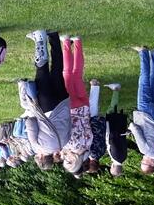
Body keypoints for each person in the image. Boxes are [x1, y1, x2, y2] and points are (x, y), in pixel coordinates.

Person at [19, 30, 71, 170]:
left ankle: (54, 37)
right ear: (42, 158)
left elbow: (68, 124)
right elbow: (30, 122)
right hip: (47, 108)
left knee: (57, 70)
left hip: (63, 103)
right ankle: (40, 38)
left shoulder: (64, 143)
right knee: (42, 71)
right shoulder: (37, 147)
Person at [128, 47, 154, 175]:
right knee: (144, 82)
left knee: (153, 82)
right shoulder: (145, 151)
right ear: (151, 163)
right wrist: (130, 127)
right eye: (144, 163)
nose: (142, 160)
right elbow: (136, 130)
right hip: (147, 114)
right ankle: (143, 52)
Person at [60, 36, 92, 175]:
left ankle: (77, 41)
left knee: (77, 74)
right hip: (73, 109)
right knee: (67, 74)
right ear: (74, 161)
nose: (65, 158)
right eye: (68, 161)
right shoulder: (69, 144)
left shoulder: (88, 145)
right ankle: (66, 42)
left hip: (85, 108)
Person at [102, 83, 128, 177]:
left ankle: (116, 90)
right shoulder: (115, 157)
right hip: (114, 130)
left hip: (120, 130)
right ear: (113, 167)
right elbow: (112, 143)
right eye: (111, 167)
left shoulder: (124, 158)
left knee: (112, 109)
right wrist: (109, 131)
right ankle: (116, 89)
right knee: (111, 110)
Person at [86, 79, 106, 174]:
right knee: (92, 105)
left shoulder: (102, 153)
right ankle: (95, 85)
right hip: (93, 125)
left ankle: (95, 87)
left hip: (100, 126)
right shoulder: (91, 153)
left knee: (93, 106)